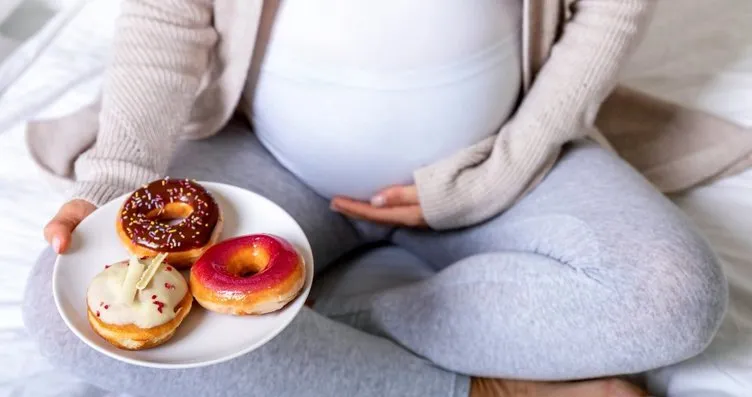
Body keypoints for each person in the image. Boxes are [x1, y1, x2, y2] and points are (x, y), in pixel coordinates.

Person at [24, 0, 729, 396]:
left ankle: (302, 323)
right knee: (65, 317)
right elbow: (167, 20)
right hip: (272, 159)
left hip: (500, 159)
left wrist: (498, 172)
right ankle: (482, 390)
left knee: (673, 298)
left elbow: (610, 12)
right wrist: (116, 177)